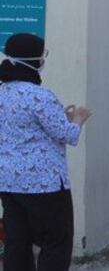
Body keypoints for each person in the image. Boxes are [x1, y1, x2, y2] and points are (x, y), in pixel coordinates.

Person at [0, 33, 92, 271]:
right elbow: (67, 135)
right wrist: (77, 119)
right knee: (56, 242)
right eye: (42, 54)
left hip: (9, 181)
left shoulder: (3, 93)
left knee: (17, 242)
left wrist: (59, 117)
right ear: (33, 59)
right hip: (45, 184)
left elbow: (22, 126)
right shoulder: (40, 96)